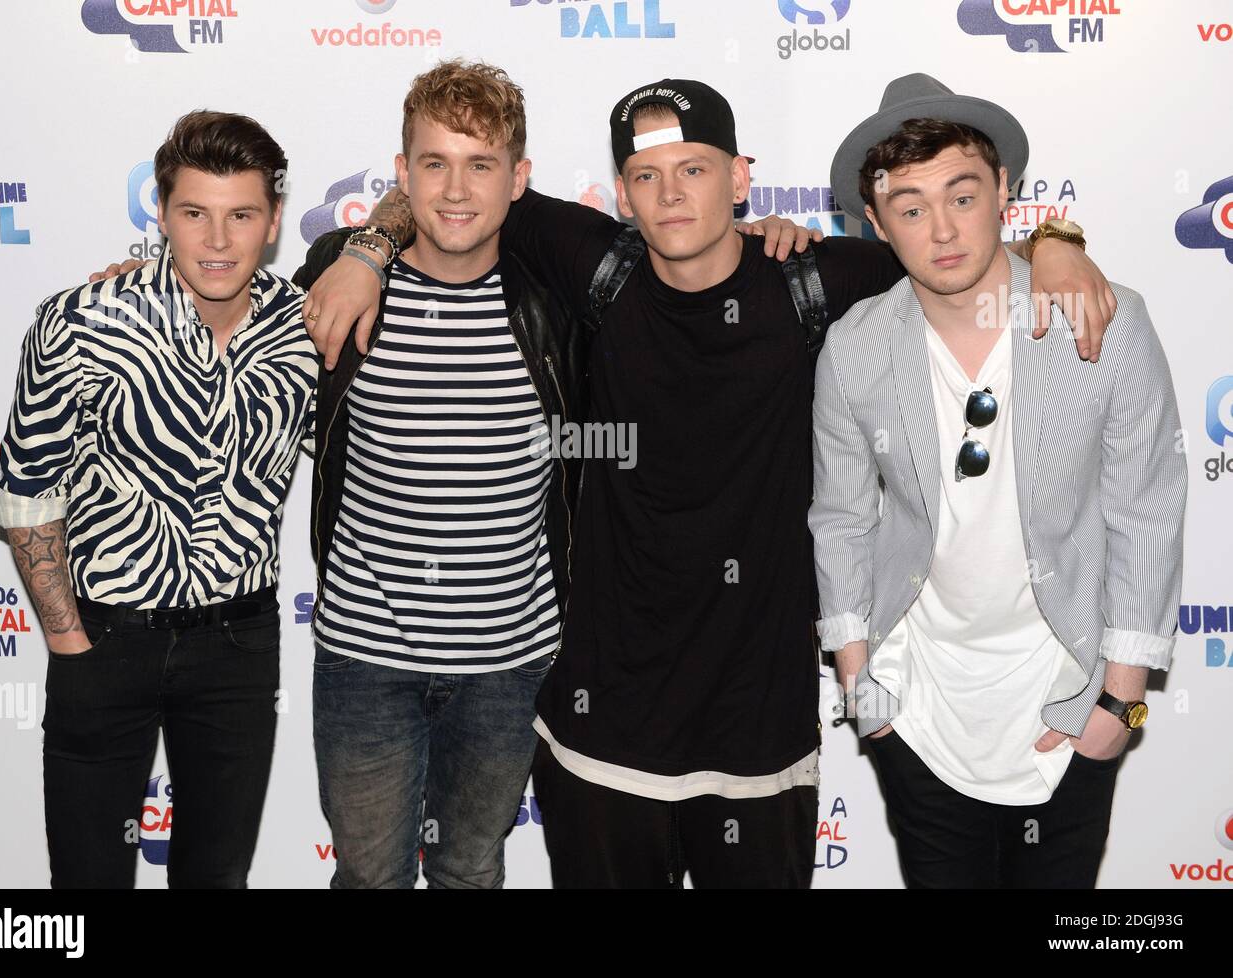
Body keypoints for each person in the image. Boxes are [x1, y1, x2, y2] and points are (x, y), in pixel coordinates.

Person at [304, 75, 1114, 888]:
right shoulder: (593, 268)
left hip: (757, 736)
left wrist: (1055, 244)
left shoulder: (818, 280)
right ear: (622, 193)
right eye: (649, 176)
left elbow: (949, 251)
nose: (671, 194)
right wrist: (366, 251)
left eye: (695, 169)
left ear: (740, 176)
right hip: (600, 733)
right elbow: (449, 192)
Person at [810, 73, 1185, 887]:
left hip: (1069, 692)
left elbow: (1146, 509)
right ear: (875, 223)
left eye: (963, 195)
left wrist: (1122, 703)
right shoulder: (855, 347)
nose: (941, 229)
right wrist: (858, 683)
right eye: (909, 207)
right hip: (918, 708)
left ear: (1006, 192)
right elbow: (841, 519)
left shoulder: (1104, 319)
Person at [0, 110, 316, 888]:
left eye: (241, 215)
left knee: (215, 878)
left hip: (239, 648)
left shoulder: (306, 329)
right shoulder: (81, 321)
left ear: (273, 221)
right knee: (86, 881)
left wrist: (368, 253)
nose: (216, 240)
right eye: (194, 214)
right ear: (162, 214)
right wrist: (71, 642)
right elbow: (28, 492)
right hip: (103, 637)